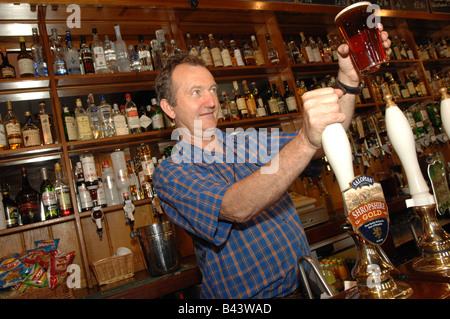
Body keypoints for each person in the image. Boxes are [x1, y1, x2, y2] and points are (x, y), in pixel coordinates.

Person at [153, 26, 391, 299]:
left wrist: (348, 80)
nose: (211, 101)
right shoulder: (171, 172)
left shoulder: (244, 142)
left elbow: (323, 142)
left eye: (212, 90)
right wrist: (305, 139)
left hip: (307, 288)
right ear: (169, 108)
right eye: (196, 92)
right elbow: (236, 207)